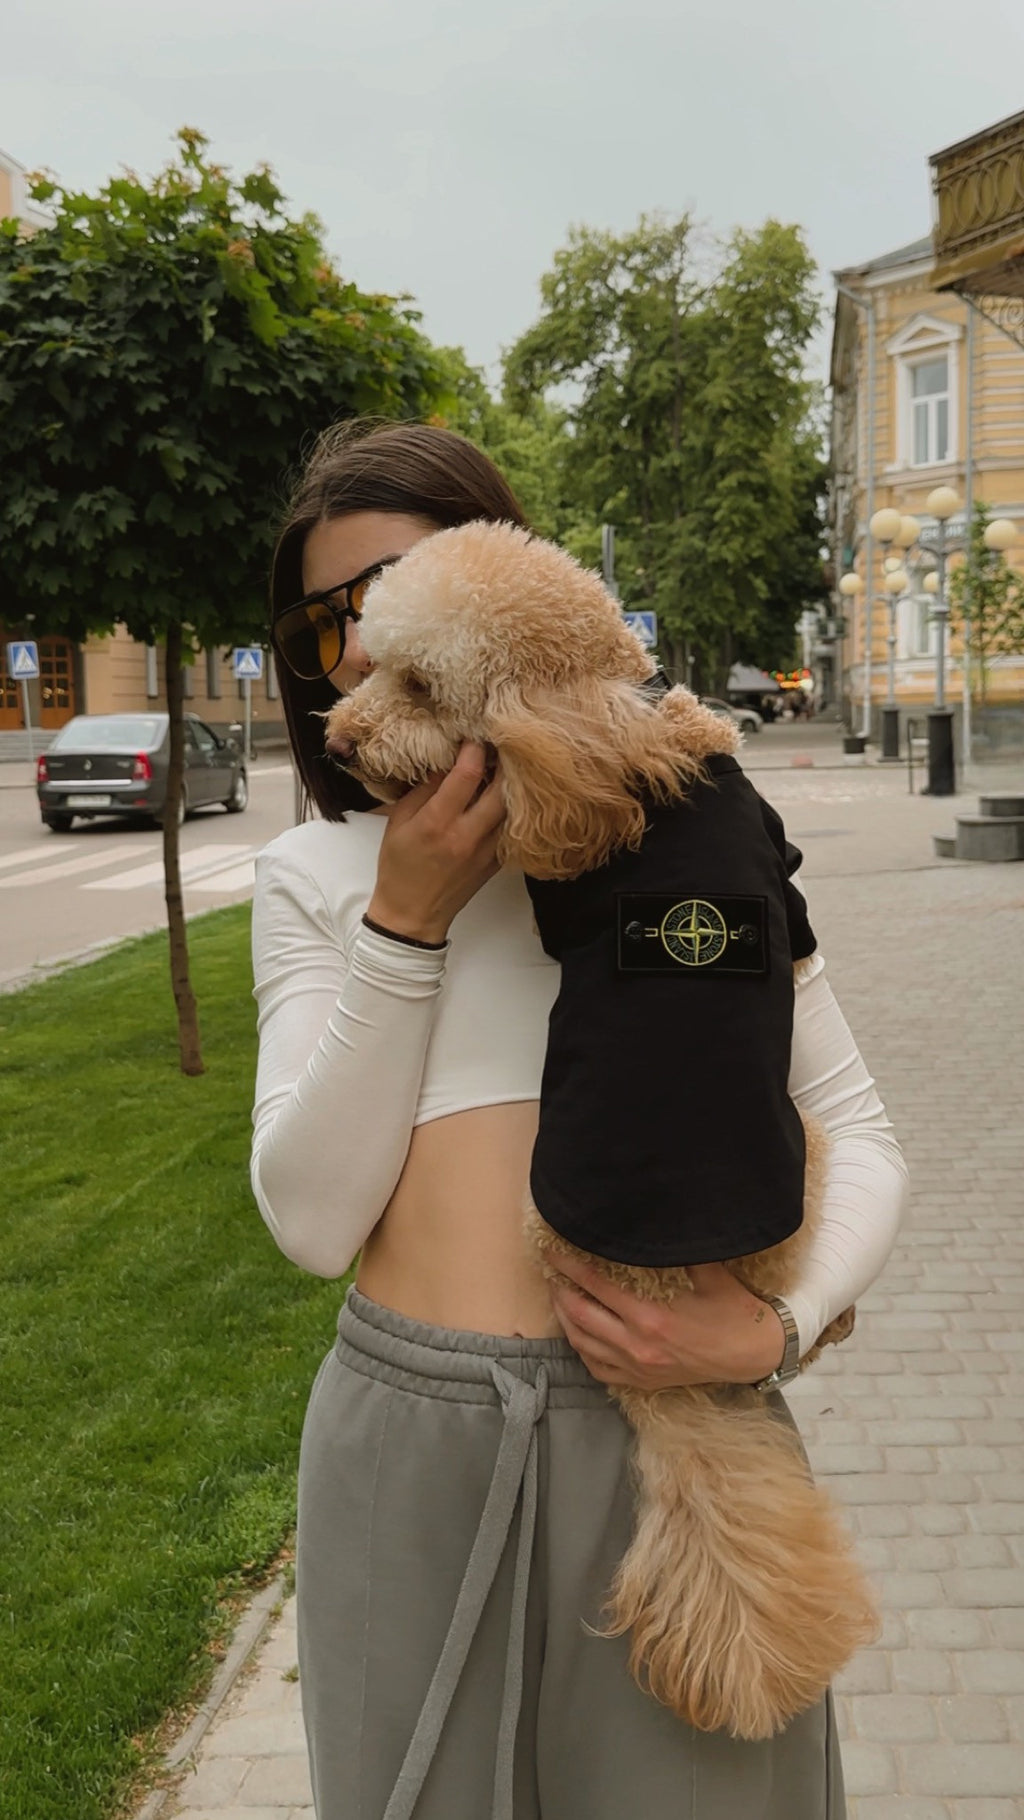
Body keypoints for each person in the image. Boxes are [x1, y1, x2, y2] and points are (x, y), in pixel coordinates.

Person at [252, 418, 909, 1820]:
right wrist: (404, 920)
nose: (362, 654)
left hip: (670, 1425)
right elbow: (310, 1223)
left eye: (394, 598)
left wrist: (775, 1331)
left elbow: (863, 1128)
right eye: (327, 628)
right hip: (412, 1444)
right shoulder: (312, 872)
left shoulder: (679, 835)